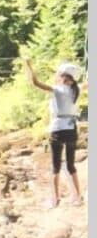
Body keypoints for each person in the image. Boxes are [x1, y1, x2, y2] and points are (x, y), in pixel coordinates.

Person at [24, 58, 85, 207]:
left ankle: (55, 199)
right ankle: (77, 197)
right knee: (71, 165)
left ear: (64, 76)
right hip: (71, 129)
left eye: (59, 74)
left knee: (55, 166)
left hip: (57, 129)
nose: (57, 76)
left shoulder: (57, 89)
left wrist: (29, 66)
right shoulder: (77, 89)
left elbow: (35, 83)